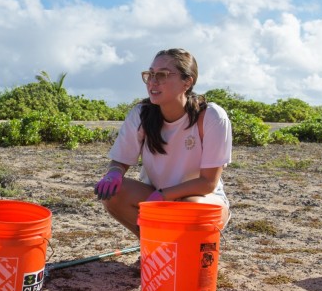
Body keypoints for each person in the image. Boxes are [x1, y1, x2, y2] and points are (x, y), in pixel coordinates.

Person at [95, 48, 232, 238]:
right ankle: (156, 247)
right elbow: (120, 160)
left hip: (201, 200)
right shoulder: (141, 114)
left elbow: (208, 183)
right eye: (150, 74)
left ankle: (176, 250)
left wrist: (164, 194)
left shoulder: (211, 116)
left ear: (187, 81)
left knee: (190, 208)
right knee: (115, 193)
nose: (153, 81)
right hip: (156, 196)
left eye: (162, 75)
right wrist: (114, 173)